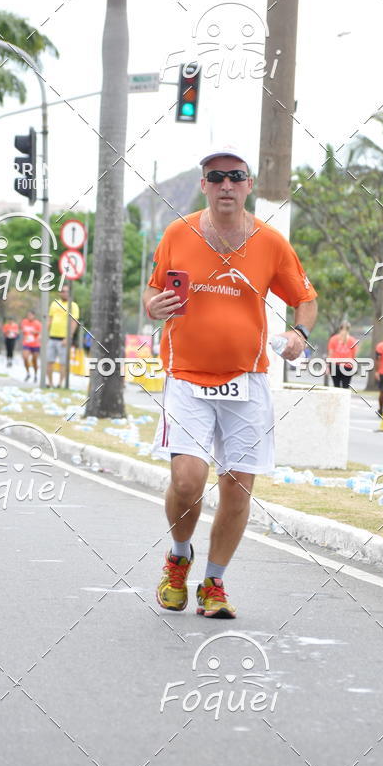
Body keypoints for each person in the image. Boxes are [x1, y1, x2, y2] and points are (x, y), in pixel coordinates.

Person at [143, 143, 318, 619]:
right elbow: (153, 292)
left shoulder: (269, 241)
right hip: (187, 378)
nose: (226, 185)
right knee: (187, 480)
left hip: (247, 380)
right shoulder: (178, 233)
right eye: (216, 177)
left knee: (238, 488)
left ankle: (213, 583)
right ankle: (179, 557)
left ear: (248, 186)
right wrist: (153, 306)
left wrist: (300, 333)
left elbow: (305, 298)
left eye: (235, 177)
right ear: (204, 185)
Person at [47, 285, 79, 388]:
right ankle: (50, 383)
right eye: (62, 291)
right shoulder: (54, 304)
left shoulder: (73, 305)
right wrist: (44, 334)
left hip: (64, 338)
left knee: (63, 363)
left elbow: (74, 322)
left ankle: (60, 383)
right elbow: (49, 320)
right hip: (52, 337)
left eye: (66, 291)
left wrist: (68, 337)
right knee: (49, 361)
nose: (64, 293)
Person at [327, 321, 357, 388]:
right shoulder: (352, 340)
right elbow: (354, 356)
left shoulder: (333, 339)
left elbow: (330, 354)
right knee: (345, 388)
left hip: (335, 366)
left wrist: (327, 366)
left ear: (339, 329)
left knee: (336, 387)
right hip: (348, 366)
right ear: (349, 329)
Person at [21, 309, 42, 382]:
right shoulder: (24, 322)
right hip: (26, 343)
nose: (29, 316)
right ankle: (28, 373)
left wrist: (35, 332)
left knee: (34, 360)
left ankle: (35, 374)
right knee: (25, 357)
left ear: (34, 316)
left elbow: (40, 333)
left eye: (30, 315)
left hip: (35, 344)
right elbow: (23, 331)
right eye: (28, 315)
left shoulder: (37, 323)